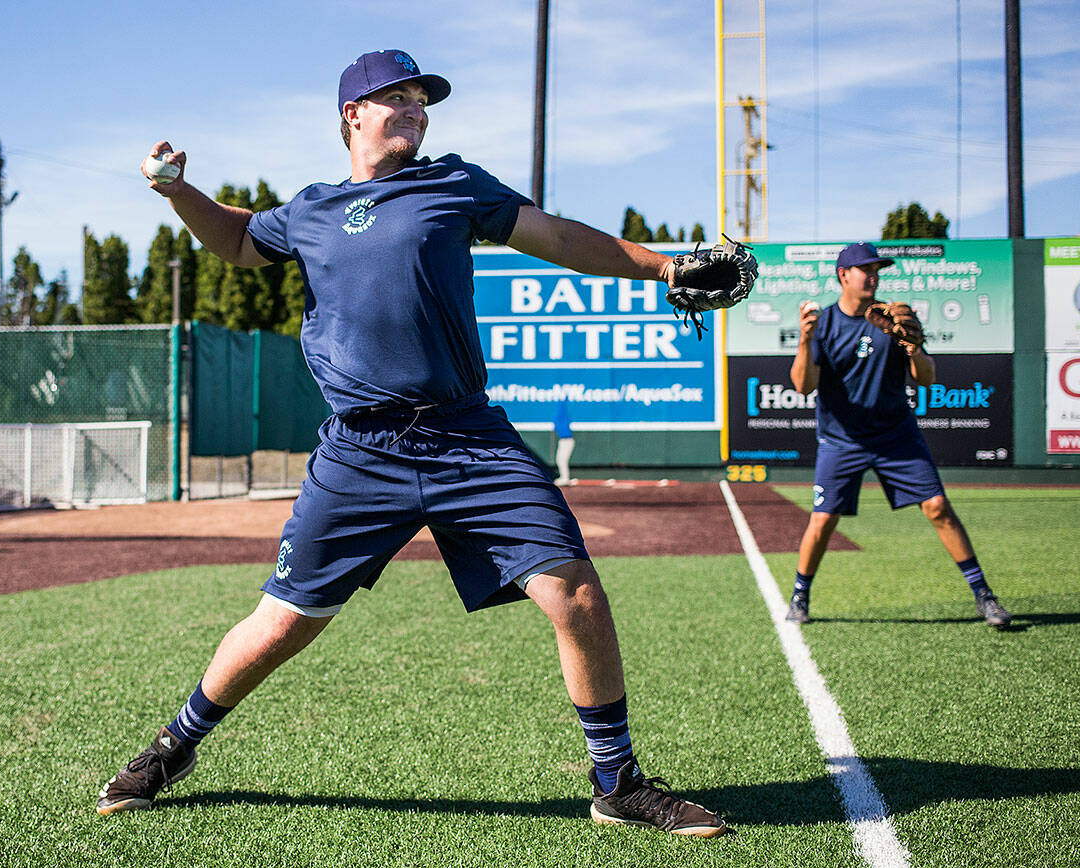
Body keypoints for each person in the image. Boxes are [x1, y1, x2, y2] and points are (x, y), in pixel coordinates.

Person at [97, 50, 729, 837]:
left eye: (421, 99)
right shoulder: (312, 209)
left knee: (574, 591)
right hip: (360, 453)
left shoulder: (455, 184)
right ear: (351, 116)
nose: (414, 108)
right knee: (285, 621)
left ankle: (616, 782)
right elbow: (232, 241)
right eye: (393, 97)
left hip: (469, 437)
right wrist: (174, 189)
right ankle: (173, 746)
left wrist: (663, 267)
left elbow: (558, 237)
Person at [785, 241, 1012, 629]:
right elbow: (803, 386)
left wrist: (914, 347)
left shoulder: (890, 318)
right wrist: (805, 340)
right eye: (865, 269)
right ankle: (800, 596)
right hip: (843, 441)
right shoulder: (822, 324)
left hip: (895, 436)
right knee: (823, 520)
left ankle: (984, 595)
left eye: (877, 269)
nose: (874, 275)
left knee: (938, 507)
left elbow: (925, 379)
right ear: (844, 275)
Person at [553, 400, 576, 486]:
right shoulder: (559, 416)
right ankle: (564, 477)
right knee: (559, 460)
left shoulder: (563, 415)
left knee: (562, 460)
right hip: (563, 440)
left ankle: (565, 478)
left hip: (567, 440)